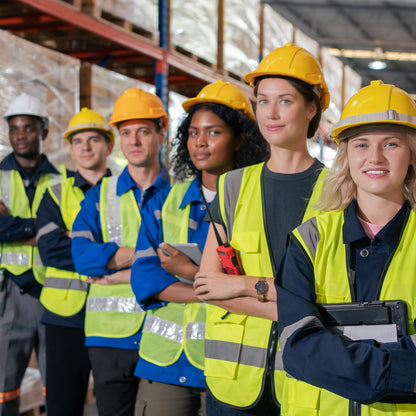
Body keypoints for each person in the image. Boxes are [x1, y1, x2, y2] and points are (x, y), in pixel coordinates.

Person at [193, 43, 330, 415]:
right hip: (233, 382)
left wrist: (242, 285)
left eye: (285, 101)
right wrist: (294, 305)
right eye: (262, 100)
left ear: (312, 107)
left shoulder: (339, 192)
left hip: (307, 383)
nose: (270, 113)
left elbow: (335, 301)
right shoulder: (232, 186)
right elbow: (207, 285)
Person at [276, 80, 416, 415]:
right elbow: (297, 346)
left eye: (392, 143)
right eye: (362, 145)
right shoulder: (309, 240)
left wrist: (338, 358)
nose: (375, 157)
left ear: (411, 154)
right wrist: (400, 371)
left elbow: (317, 351)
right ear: (347, 156)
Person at [130, 79, 269, 416]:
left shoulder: (260, 203)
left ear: (240, 138)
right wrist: (221, 288)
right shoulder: (164, 202)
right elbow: (146, 280)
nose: (200, 143)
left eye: (213, 132)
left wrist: (191, 274)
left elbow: (269, 285)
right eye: (193, 133)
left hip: (231, 363)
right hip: (164, 363)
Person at [71, 88, 170, 416]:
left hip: (166, 332)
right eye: (125, 133)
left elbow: (192, 263)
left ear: (161, 134)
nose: (134, 141)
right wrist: (148, 257)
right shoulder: (101, 194)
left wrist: (118, 272)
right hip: (108, 337)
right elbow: (82, 258)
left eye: (143, 131)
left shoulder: (181, 192)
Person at [36, 108, 114, 416]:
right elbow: (50, 251)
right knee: (62, 407)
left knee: (116, 406)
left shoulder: (127, 193)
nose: (85, 147)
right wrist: (107, 252)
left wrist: (76, 241)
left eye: (94, 139)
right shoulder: (54, 194)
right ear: (70, 148)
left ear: (109, 147)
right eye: (78, 141)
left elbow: (139, 251)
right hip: (64, 316)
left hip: (114, 315)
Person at [0, 93, 65, 415]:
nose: (20, 135)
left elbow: (69, 234)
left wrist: (12, 225)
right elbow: (55, 230)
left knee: (56, 382)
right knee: (3, 385)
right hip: (9, 292)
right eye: (14, 129)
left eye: (28, 128)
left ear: (44, 131)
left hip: (55, 289)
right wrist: (44, 228)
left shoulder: (63, 180)